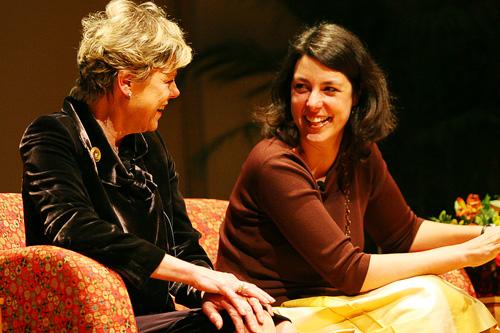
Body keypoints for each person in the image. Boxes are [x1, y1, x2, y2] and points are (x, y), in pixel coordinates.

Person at [19, 1, 296, 332]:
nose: (176, 92)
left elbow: (181, 241)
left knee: (269, 322)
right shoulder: (53, 135)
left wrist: (207, 293)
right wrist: (199, 275)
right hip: (94, 320)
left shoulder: (149, 145)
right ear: (126, 82)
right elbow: (75, 229)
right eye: (167, 80)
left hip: (157, 317)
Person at [216, 22, 500, 332]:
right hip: (272, 315)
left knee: (433, 295)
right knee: (425, 298)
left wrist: (486, 234)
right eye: (301, 87)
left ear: (357, 96)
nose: (312, 103)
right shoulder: (274, 163)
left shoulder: (360, 154)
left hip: (332, 305)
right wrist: (465, 255)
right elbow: (348, 271)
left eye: (329, 89)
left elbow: (405, 233)